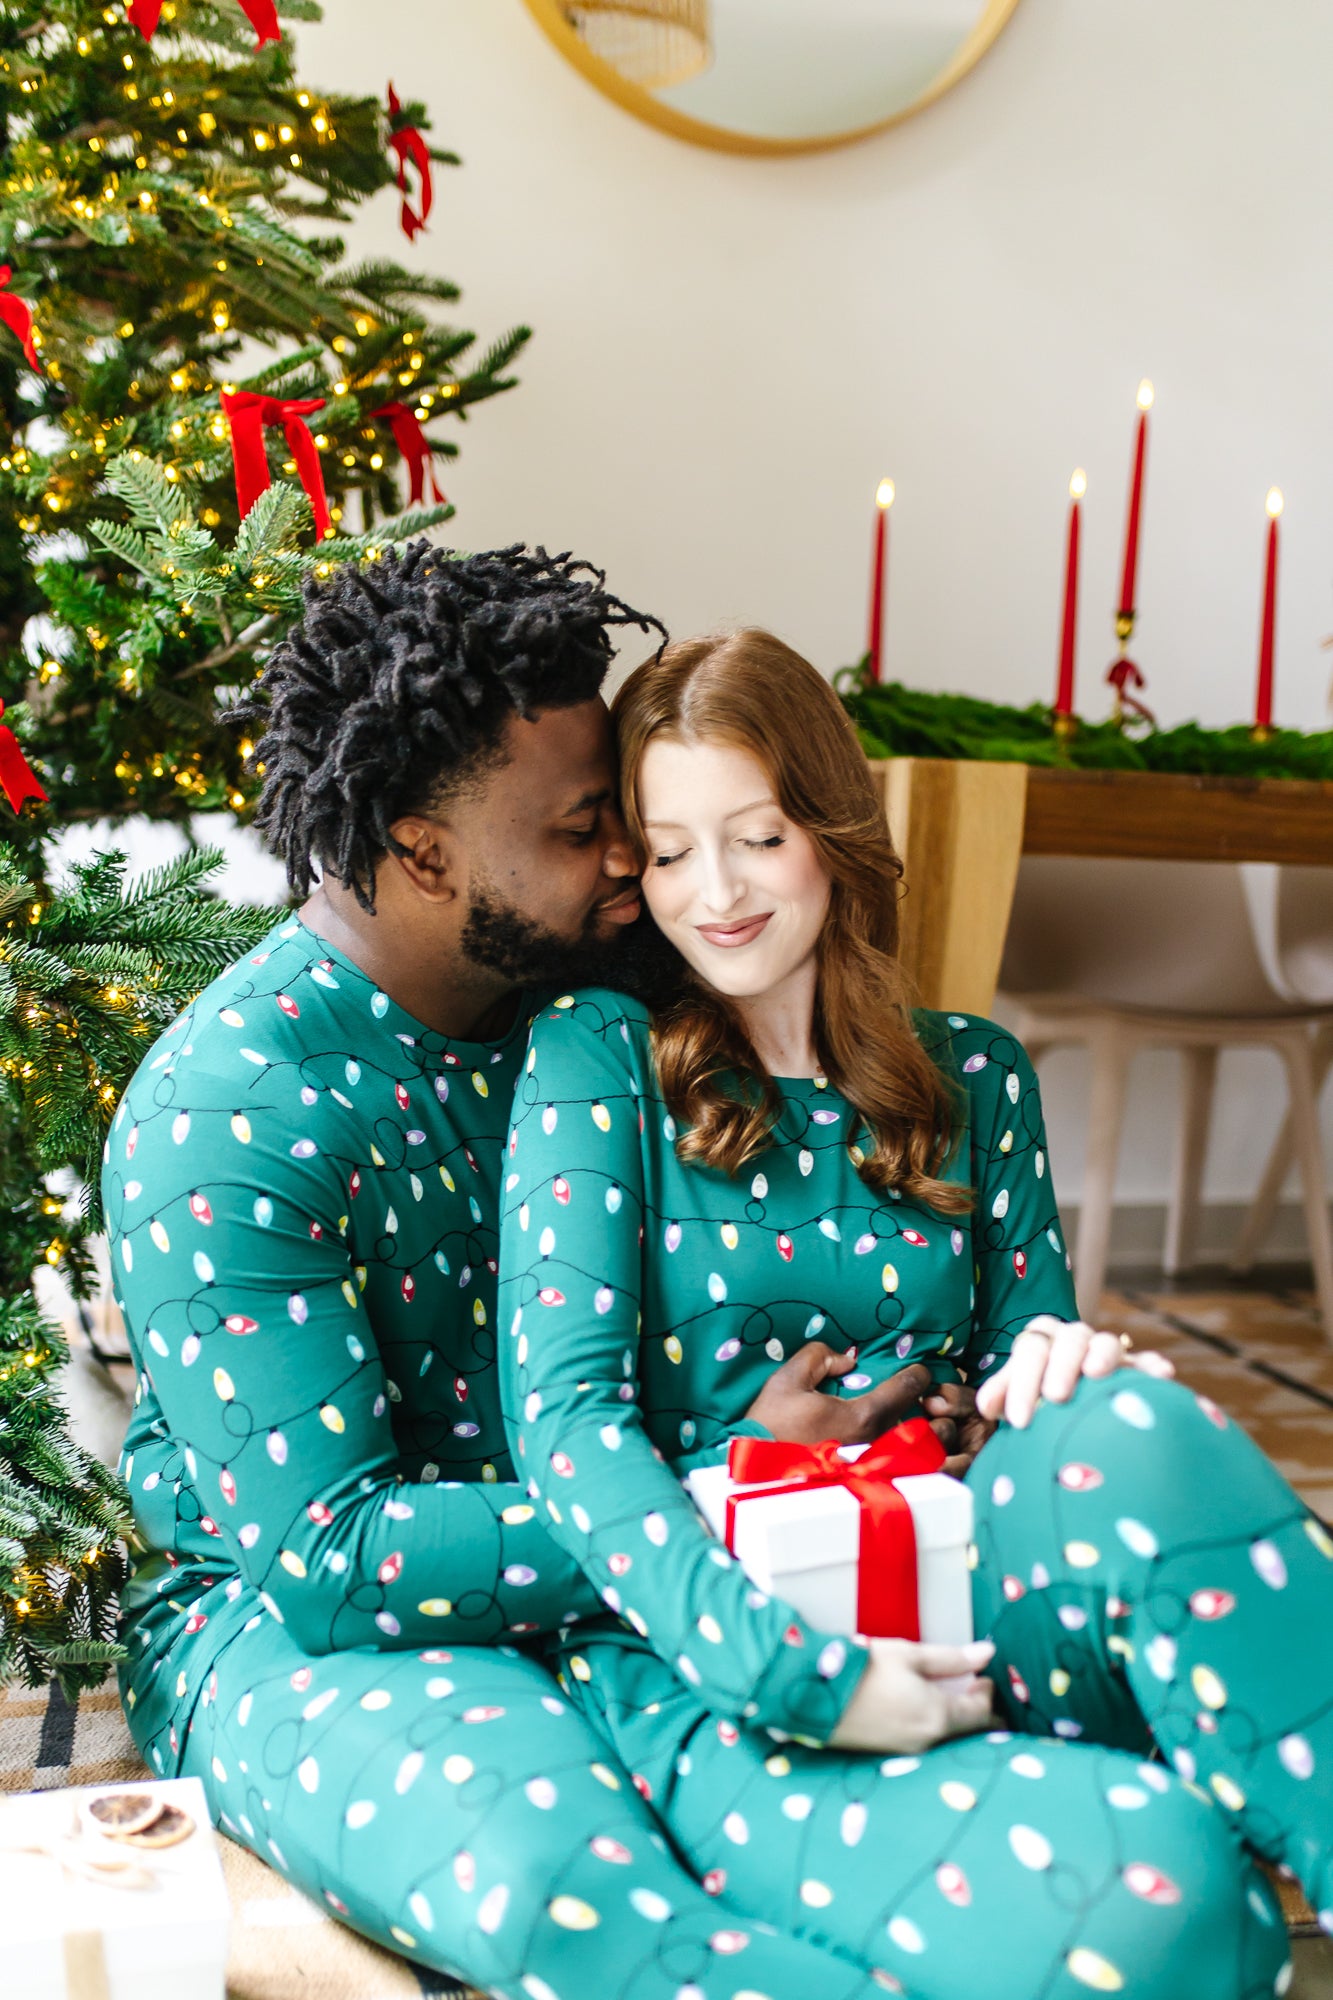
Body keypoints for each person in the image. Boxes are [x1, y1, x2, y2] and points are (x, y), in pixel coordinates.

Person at [106, 550, 905, 2000]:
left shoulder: (614, 1000)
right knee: (563, 1882)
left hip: (635, 1562)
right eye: (587, 826)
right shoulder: (228, 1119)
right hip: (290, 1628)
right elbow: (334, 1564)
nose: (634, 861)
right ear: (421, 852)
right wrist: (716, 1497)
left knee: (865, 1824)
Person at [500, 628, 1333, 2000]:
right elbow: (568, 1429)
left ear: (829, 831)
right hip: (729, 1632)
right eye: (668, 850)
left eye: (758, 837)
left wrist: (1049, 1368)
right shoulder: (596, 1061)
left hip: (974, 1578)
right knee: (1189, 1909)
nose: (713, 892)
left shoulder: (975, 1076)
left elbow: (1024, 1357)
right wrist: (789, 1671)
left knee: (1122, 1417)